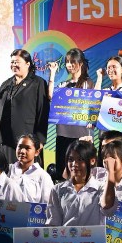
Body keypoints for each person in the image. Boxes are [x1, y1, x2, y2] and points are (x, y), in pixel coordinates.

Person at [0, 49, 49, 164]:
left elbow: (43, 111)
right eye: (12, 62)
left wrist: (40, 139)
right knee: (9, 172)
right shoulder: (6, 84)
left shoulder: (38, 83)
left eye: (17, 62)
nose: (13, 65)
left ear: (27, 63)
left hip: (28, 140)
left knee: (28, 173)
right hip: (6, 140)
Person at [48, 48, 93, 178]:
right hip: (62, 133)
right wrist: (52, 73)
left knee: (80, 172)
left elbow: (93, 104)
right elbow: (51, 96)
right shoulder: (64, 84)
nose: (70, 65)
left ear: (81, 63)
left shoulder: (88, 83)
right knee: (63, 171)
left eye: (73, 62)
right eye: (67, 62)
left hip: (80, 134)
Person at [95, 55, 122, 164]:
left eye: (114, 67)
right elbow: (94, 99)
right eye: (108, 67)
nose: (110, 70)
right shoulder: (108, 90)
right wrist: (99, 78)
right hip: (106, 140)